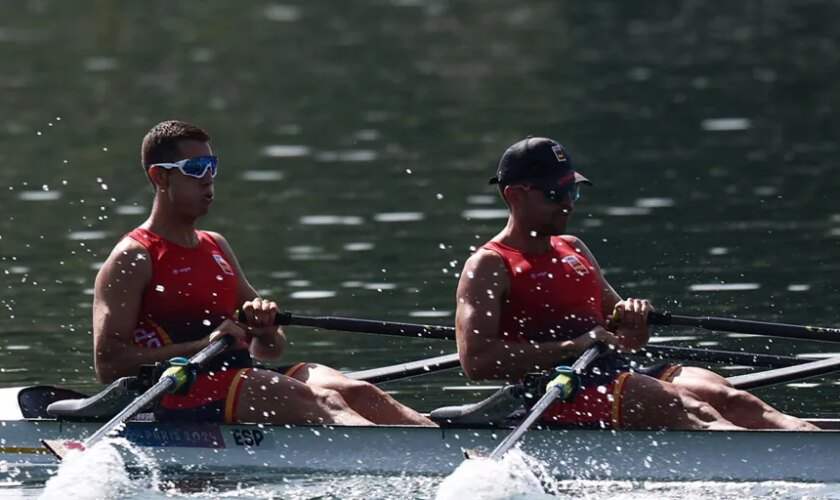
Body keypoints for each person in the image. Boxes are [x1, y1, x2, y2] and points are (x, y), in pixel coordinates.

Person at [454, 136, 817, 431]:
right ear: (514, 195)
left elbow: (625, 338)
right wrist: (572, 346)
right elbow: (477, 362)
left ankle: (812, 448)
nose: (568, 204)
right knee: (695, 411)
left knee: (730, 398)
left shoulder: (573, 248)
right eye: (555, 195)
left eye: (573, 192)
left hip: (614, 374)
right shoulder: (489, 264)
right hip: (553, 392)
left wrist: (634, 317)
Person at [93, 119, 435, 427]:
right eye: (195, 168)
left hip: (240, 377)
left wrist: (266, 328)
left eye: (212, 166)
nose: (209, 179)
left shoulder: (216, 246)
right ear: (160, 176)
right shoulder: (134, 257)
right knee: (324, 400)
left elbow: (271, 349)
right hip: (181, 393)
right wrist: (203, 344)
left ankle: (451, 455)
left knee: (358, 392)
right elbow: (109, 365)